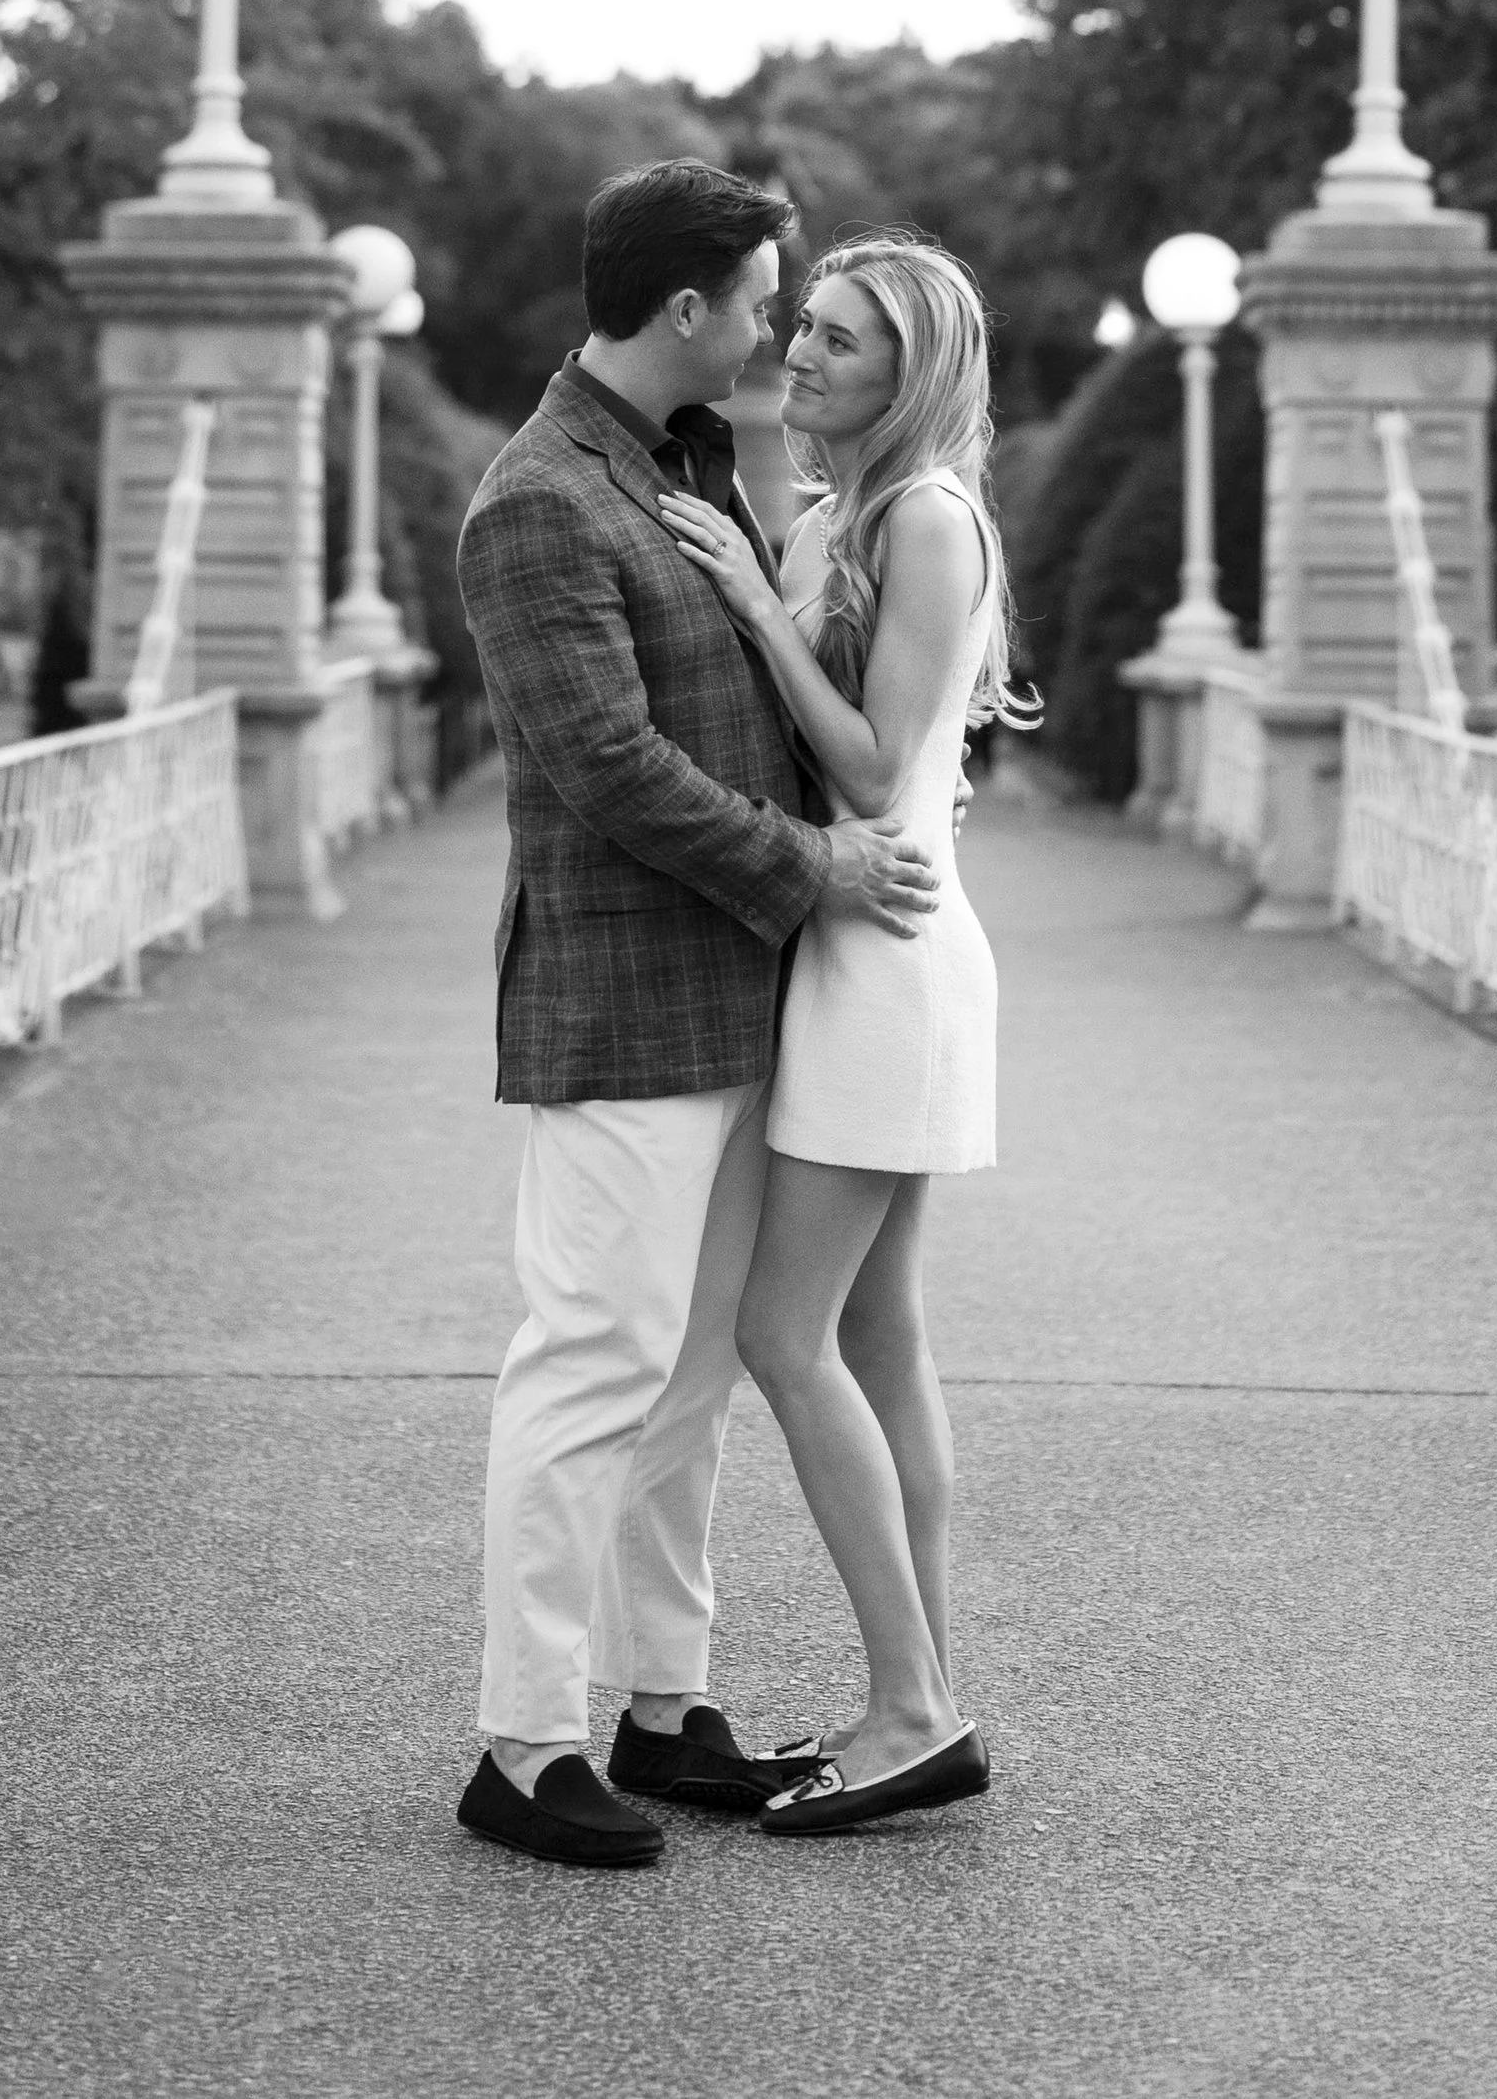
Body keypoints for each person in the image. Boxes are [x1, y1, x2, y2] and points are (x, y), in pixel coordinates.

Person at [451, 160, 941, 1872]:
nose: (771, 330)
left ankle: (665, 1702)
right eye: (758, 299)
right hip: (624, 1001)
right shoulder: (538, 501)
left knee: (684, 1381)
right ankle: (523, 1741)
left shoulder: (677, 467)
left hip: (742, 999)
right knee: (587, 1360)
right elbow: (608, 768)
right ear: (685, 310)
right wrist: (817, 868)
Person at [660, 231, 1037, 1836]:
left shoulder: (927, 517)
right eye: (803, 324)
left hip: (889, 956)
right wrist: (775, 562)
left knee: (781, 1333)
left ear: (917, 373)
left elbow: (882, 776)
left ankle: (909, 1705)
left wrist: (748, 596)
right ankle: (920, 1697)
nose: (801, 353)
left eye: (845, 342)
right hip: (854, 944)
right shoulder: (836, 513)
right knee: (879, 1335)